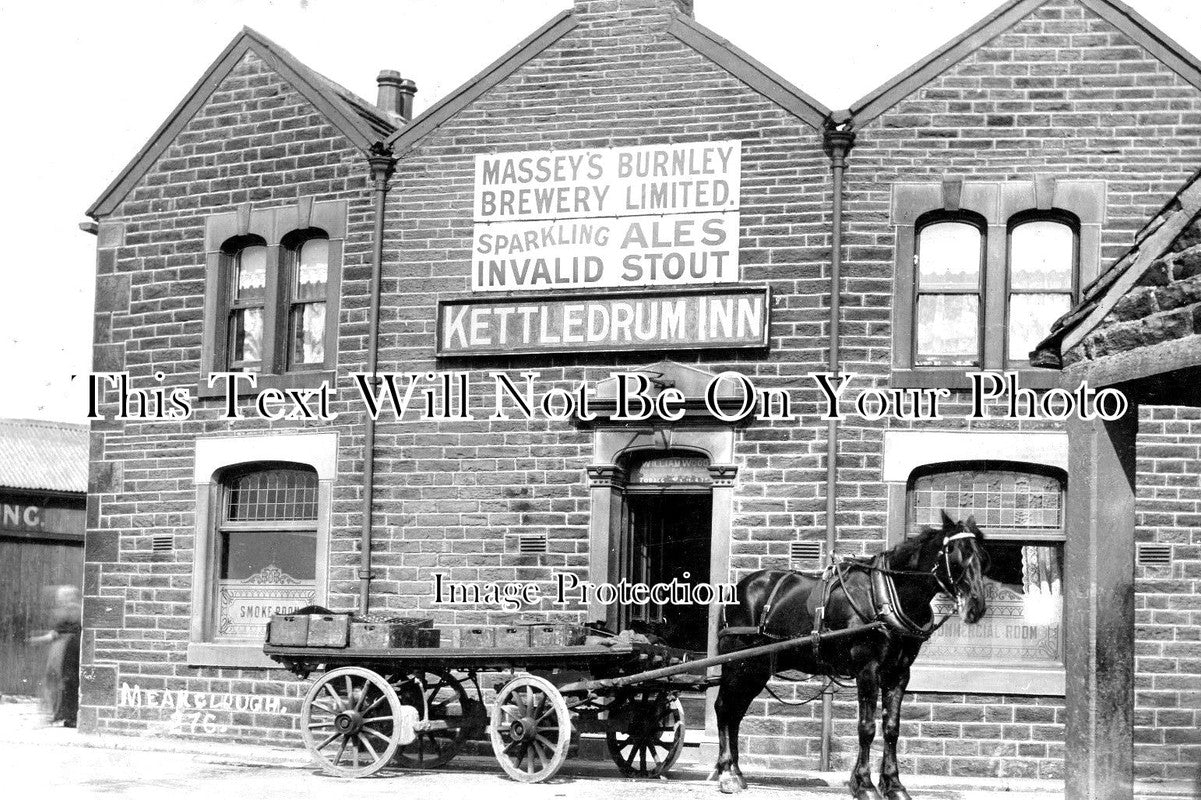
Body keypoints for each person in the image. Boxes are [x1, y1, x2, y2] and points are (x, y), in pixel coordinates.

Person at [28, 585, 82, 727]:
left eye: (65, 597)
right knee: (63, 681)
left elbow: (57, 633)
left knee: (64, 681)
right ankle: (65, 715)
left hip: (67, 649)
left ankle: (66, 715)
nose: (63, 600)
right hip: (65, 649)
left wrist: (39, 639)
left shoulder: (71, 611)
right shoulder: (74, 610)